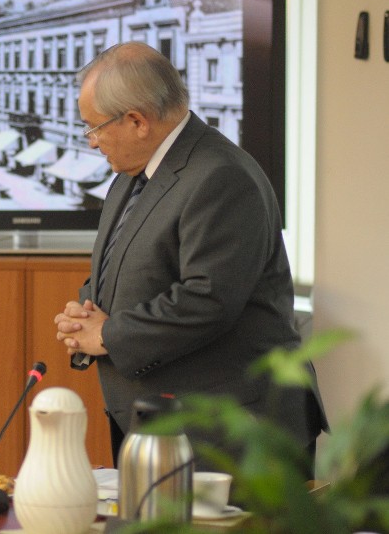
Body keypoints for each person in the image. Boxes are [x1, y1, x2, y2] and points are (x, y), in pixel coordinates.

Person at [53, 42, 327, 471]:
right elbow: (127, 266)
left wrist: (108, 335)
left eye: (94, 127)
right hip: (161, 427)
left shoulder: (221, 176)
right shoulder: (132, 173)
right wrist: (86, 312)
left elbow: (207, 299)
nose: (91, 142)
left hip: (232, 435)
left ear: (137, 121)